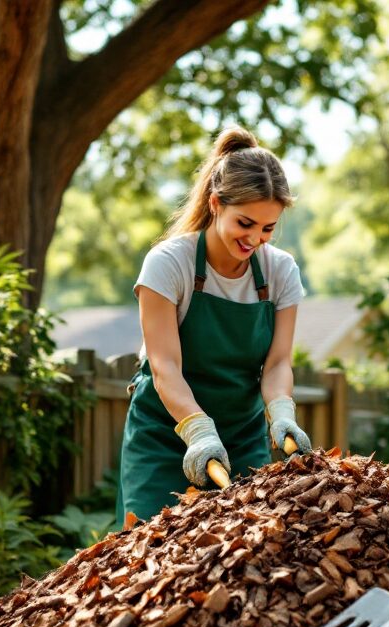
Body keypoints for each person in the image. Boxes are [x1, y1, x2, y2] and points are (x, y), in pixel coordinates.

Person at [116, 127, 311, 527]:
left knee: (248, 549)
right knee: (151, 550)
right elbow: (164, 366)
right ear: (216, 203)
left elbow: (276, 365)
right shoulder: (169, 264)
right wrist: (199, 431)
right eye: (245, 222)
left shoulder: (280, 271)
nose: (255, 238)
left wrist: (282, 413)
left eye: (268, 228)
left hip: (242, 433)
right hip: (165, 434)